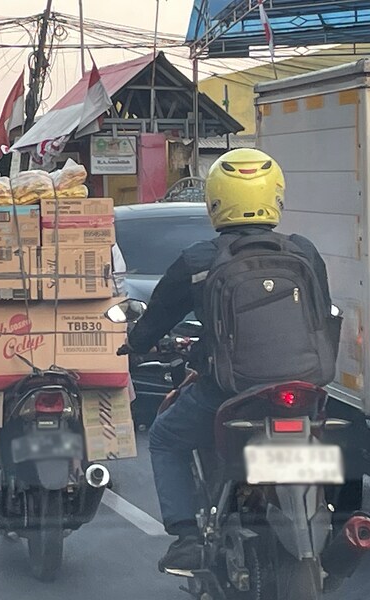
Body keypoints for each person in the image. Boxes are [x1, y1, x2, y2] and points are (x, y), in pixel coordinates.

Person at [118, 149, 332, 571]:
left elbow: (160, 314)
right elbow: (322, 314)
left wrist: (138, 344)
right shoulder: (304, 252)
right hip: (305, 389)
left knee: (164, 437)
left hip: (228, 392)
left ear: (215, 200)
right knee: (329, 446)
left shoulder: (200, 259)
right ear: (276, 196)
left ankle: (185, 537)